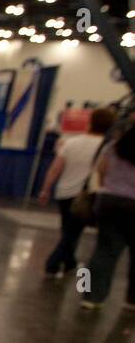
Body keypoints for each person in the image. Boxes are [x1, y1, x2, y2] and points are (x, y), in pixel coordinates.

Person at [38, 106, 116, 278]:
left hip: (64, 192)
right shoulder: (108, 147)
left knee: (69, 229)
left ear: (90, 122)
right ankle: (52, 264)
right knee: (73, 231)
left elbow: (55, 168)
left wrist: (45, 189)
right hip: (87, 195)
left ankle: (69, 263)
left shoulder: (71, 142)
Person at [80, 122, 135, 311]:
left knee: (104, 251)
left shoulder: (115, 146)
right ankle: (131, 300)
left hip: (109, 201)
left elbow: (101, 170)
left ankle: (89, 296)